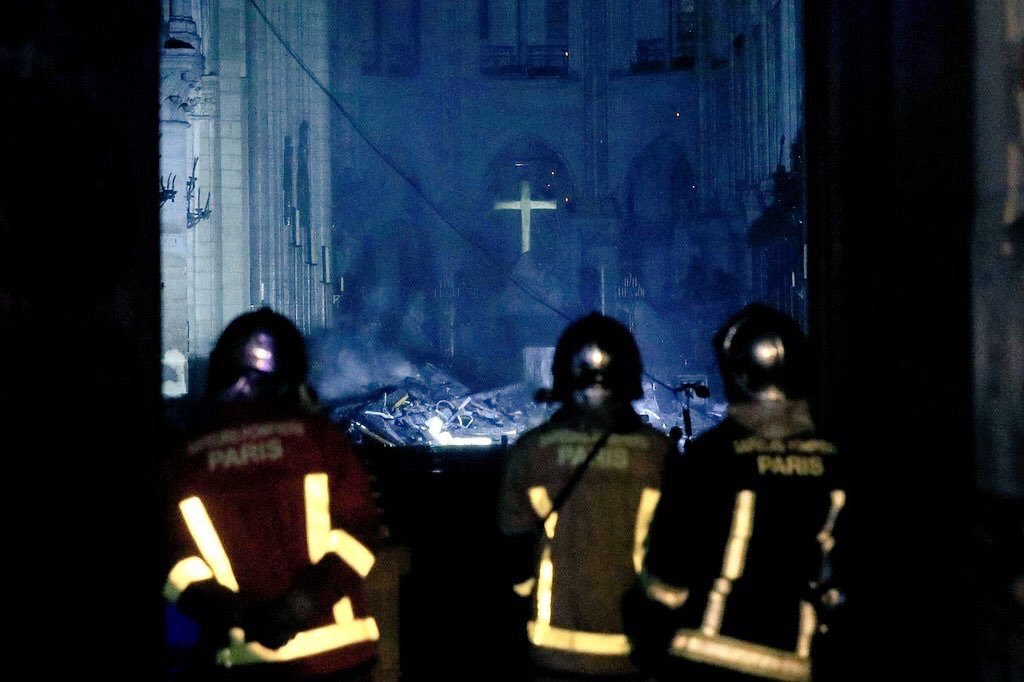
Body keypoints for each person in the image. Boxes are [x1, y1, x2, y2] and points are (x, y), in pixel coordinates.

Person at [623, 302, 847, 681]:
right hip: (797, 661)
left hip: (705, 657)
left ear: (732, 372)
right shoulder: (838, 461)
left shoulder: (708, 458)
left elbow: (667, 579)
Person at [163, 307, 383, 680]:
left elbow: (176, 565)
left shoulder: (185, 461)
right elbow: (360, 537)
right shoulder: (319, 442)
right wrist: (300, 605)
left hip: (240, 660)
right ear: (293, 376)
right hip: (336, 660)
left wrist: (238, 612)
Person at [496, 312, 676, 680]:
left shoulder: (532, 452)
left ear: (562, 375)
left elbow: (511, 552)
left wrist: (528, 592)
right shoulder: (658, 455)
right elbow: (678, 560)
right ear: (630, 377)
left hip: (551, 653)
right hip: (633, 655)